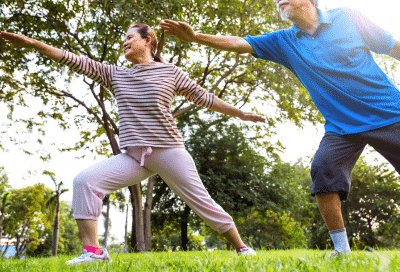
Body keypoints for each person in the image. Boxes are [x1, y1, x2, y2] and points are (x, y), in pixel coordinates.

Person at [0, 23, 265, 264]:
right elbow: (72, 59)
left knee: (202, 203)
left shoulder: (169, 72)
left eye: (129, 37)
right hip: (134, 157)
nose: (124, 42)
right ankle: (93, 253)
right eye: (123, 39)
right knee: (85, 181)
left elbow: (204, 97)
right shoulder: (115, 75)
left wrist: (241, 113)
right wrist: (34, 44)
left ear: (149, 40)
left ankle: (242, 248)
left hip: (169, 151)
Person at [160, 0, 400, 257]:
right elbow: (241, 43)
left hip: (389, 114)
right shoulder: (285, 41)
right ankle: (342, 250)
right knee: (323, 170)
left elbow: (393, 46)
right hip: (341, 127)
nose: (278, 0)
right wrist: (196, 37)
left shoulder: (349, 17)